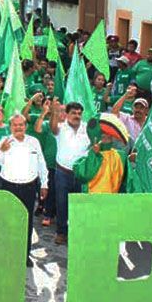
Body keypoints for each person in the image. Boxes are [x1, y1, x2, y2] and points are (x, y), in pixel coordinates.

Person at [0, 114, 48, 267]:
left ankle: (25, 255)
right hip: (8, 187)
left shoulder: (34, 142)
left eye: (21, 125)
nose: (18, 128)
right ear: (10, 127)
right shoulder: (4, 142)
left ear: (26, 126)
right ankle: (7, 253)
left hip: (29, 187)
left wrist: (45, 183)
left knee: (27, 222)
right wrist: (1, 151)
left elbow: (41, 163)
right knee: (8, 222)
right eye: (15, 125)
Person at [50, 101, 90, 245]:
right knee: (61, 204)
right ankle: (61, 233)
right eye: (73, 113)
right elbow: (52, 128)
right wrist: (54, 112)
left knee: (79, 204)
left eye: (79, 113)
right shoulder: (61, 128)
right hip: (62, 173)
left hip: (81, 174)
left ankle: (77, 232)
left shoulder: (87, 129)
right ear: (66, 114)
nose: (77, 116)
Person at [112, 87, 152, 176]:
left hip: (145, 163)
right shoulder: (127, 119)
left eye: (141, 108)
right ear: (132, 109)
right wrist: (125, 95)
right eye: (136, 107)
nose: (138, 110)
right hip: (129, 161)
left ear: (147, 110)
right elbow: (114, 111)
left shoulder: (151, 125)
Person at [73, 113, 130, 193]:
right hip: (92, 201)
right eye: (103, 136)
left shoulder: (120, 156)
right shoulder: (86, 155)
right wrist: (93, 155)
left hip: (112, 201)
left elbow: (129, 182)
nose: (106, 138)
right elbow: (84, 175)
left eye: (109, 136)